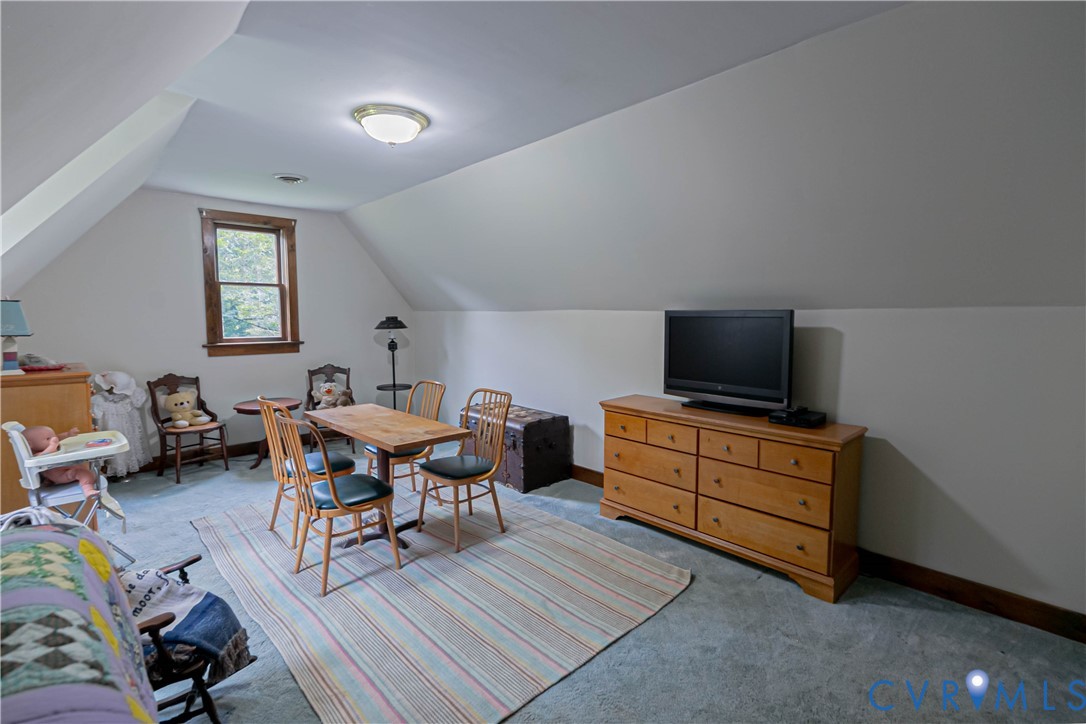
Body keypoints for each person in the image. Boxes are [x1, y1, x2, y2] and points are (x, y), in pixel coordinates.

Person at [22, 425, 97, 497]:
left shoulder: (50, 443)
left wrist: (68, 434)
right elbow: (47, 454)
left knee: (85, 470)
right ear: (30, 444)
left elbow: (58, 437)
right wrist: (53, 445)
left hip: (63, 471)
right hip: (61, 475)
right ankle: (88, 489)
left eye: (53, 436)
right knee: (84, 474)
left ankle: (86, 482)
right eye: (48, 439)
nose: (55, 439)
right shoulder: (37, 456)